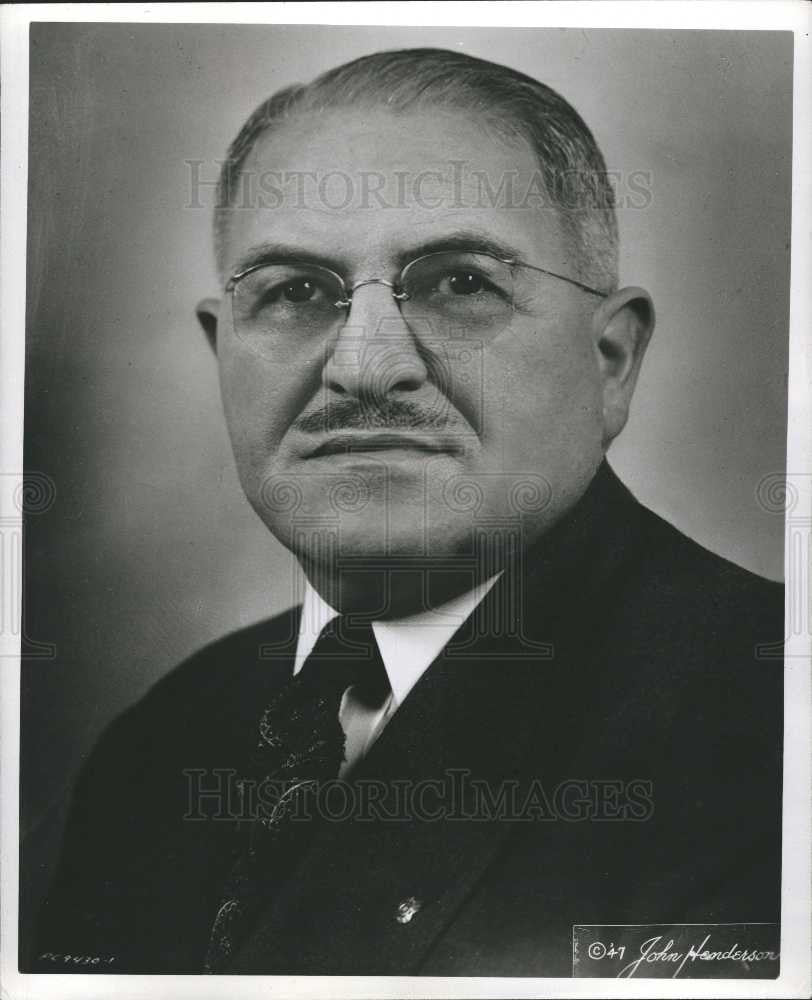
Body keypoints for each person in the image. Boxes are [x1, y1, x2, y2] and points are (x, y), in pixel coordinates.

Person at [29, 48, 782, 977]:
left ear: (610, 361)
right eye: (296, 292)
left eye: (460, 282)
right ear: (222, 350)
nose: (364, 366)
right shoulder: (156, 750)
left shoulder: (770, 728)